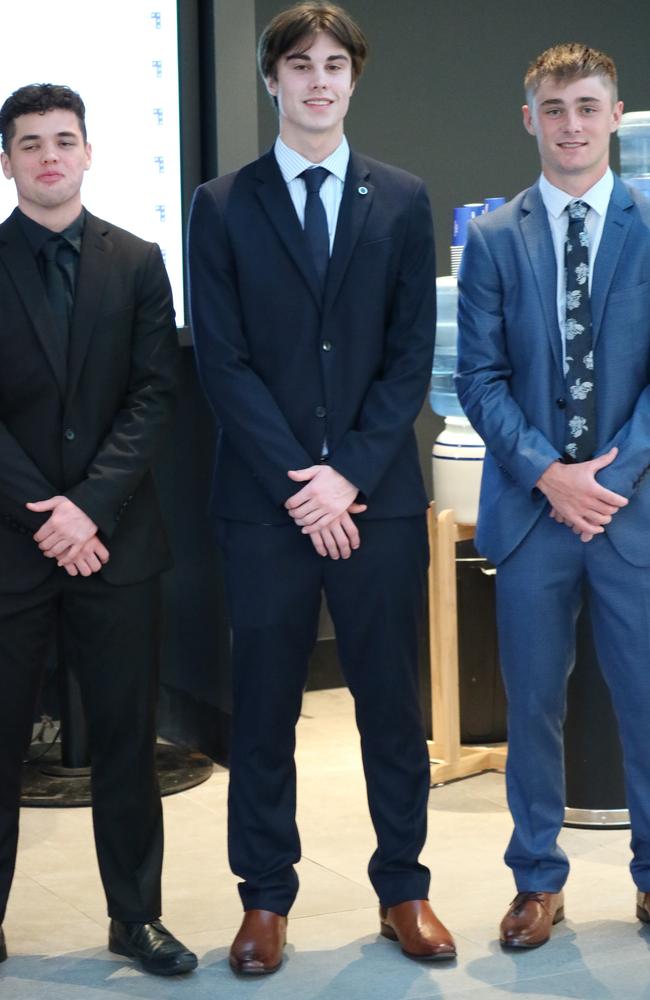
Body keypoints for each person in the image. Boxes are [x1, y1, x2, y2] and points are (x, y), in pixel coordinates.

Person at [189, 0, 455, 976]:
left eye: (332, 64)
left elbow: (407, 355)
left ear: (352, 79)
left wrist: (344, 475)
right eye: (296, 64)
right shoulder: (221, 203)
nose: (315, 80)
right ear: (271, 80)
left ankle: (404, 888)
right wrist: (304, 483)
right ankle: (264, 900)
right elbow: (221, 362)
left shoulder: (399, 197)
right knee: (261, 709)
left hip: (375, 499)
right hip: (263, 507)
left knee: (390, 703)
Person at [0, 83, 197, 976]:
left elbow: (155, 393)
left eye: (64, 140)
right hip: (12, 546)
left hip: (115, 542)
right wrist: (47, 515)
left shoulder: (141, 260)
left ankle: (135, 918)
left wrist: (89, 507)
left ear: (89, 152)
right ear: (7, 160)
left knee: (126, 745)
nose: (49, 155)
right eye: (30, 142)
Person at [456, 42, 650, 949]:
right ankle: (537, 881)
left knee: (646, 699)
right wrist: (548, 474)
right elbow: (480, 379)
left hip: (629, 513)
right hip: (534, 516)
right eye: (554, 108)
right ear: (528, 118)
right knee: (530, 704)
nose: (571, 124)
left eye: (587, 106)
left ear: (614, 115)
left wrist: (604, 482)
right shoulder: (494, 240)